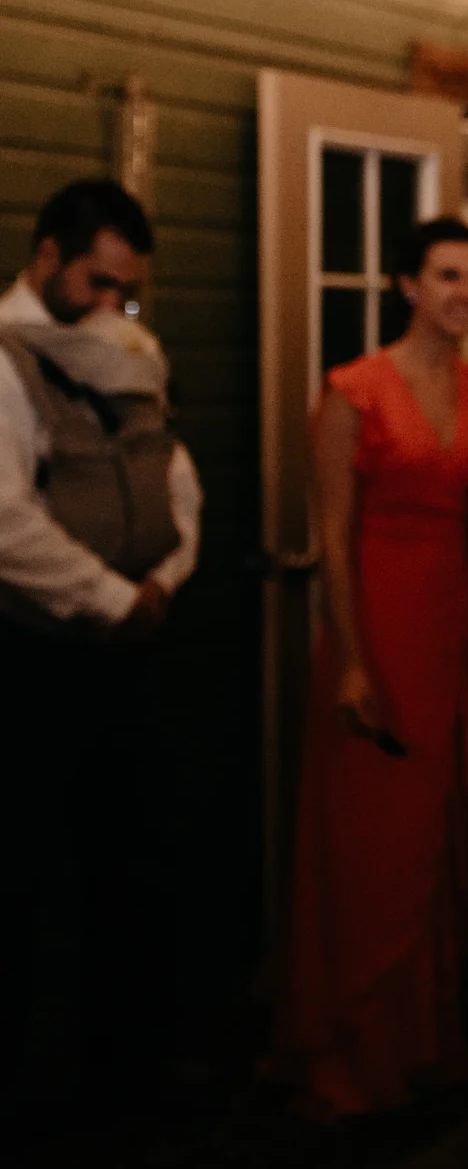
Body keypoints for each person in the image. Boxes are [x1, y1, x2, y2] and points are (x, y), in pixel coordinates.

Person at [279, 217, 468, 1116]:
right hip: (374, 622)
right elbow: (328, 531)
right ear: (406, 284)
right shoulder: (355, 389)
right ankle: (348, 1042)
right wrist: (352, 662)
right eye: (447, 273)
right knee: (366, 841)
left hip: (447, 621)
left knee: (431, 842)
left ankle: (420, 1042)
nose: (465, 291)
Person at [0, 180, 198, 1119]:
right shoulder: (4, 358)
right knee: (26, 880)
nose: (114, 306)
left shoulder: (130, 352)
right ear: (47, 257)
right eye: (97, 282)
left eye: (128, 292)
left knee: (137, 869)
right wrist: (113, 596)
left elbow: (177, 476)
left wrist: (168, 577)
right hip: (34, 662)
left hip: (134, 655)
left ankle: (126, 1089)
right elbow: (3, 525)